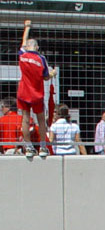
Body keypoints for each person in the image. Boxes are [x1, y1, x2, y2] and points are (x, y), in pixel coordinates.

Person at [17, 20, 55, 159]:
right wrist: (53, 73)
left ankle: (28, 147)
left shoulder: (22, 55)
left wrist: (26, 27)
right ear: (37, 47)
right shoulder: (41, 59)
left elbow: (23, 42)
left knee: (25, 119)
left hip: (23, 93)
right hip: (37, 94)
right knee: (40, 120)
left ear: (28, 47)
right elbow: (45, 77)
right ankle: (43, 146)